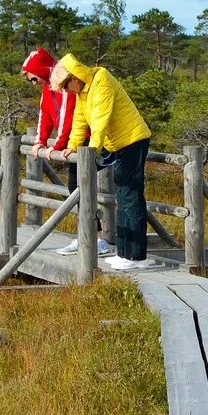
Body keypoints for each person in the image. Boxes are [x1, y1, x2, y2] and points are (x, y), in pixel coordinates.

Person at [47, 54, 159, 272]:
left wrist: (92, 150)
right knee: (123, 195)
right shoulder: (83, 92)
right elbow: (80, 121)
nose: (66, 91)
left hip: (132, 140)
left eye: (66, 86)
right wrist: (72, 145)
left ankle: (137, 257)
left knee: (130, 195)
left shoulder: (101, 80)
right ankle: (125, 253)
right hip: (119, 144)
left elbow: (100, 120)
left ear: (75, 77)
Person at [22, 47, 112, 257]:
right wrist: (40, 141)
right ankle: (89, 237)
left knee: (81, 187)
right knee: (78, 188)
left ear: (43, 71)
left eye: (34, 79)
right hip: (76, 143)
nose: (34, 84)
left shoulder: (64, 86)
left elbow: (68, 118)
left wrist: (59, 145)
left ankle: (95, 240)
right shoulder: (47, 90)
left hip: (86, 141)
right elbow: (44, 115)